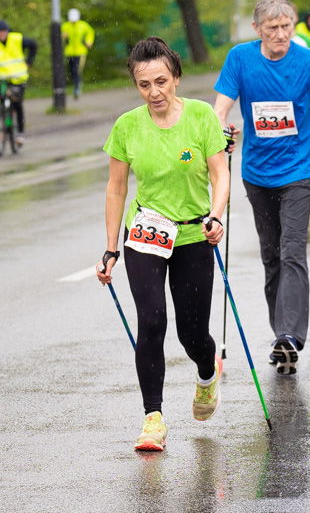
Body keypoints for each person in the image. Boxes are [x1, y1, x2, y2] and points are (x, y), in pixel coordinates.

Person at [95, 37, 229, 452]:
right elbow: (116, 189)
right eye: (144, 84)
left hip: (192, 233)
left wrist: (216, 216)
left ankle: (207, 373)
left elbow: (219, 174)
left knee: (193, 333)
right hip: (146, 233)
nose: (154, 93)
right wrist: (111, 247)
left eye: (161, 82)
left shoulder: (202, 117)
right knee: (151, 321)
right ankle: (152, 418)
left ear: (176, 78)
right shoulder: (127, 126)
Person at [214, 0, 310, 375]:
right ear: (257, 30)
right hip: (257, 174)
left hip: (299, 173)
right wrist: (222, 128)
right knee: (271, 257)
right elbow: (220, 108)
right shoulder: (240, 58)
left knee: (291, 251)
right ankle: (280, 335)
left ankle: (289, 334)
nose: (281, 35)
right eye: (273, 29)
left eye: (287, 27)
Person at [0, 20, 37, 147]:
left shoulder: (17, 39)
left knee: (17, 104)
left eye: (3, 32)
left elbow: (33, 45)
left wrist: (29, 61)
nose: (2, 34)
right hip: (2, 80)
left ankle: (20, 133)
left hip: (18, 79)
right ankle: (3, 127)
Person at [61, 8, 95, 99]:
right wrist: (63, 37)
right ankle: (74, 85)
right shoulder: (65, 26)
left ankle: (77, 87)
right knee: (71, 71)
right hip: (68, 52)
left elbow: (90, 33)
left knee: (76, 70)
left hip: (80, 52)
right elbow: (60, 37)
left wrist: (89, 42)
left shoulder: (83, 25)